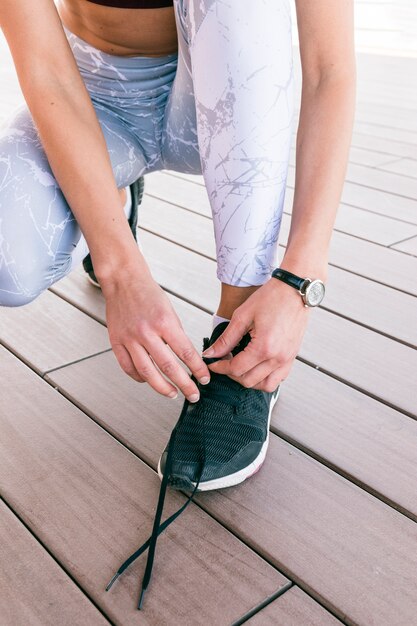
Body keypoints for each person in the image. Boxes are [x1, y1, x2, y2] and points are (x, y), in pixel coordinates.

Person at [0, 0, 355, 491]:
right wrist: (120, 268)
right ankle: (110, 201)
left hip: (223, 95)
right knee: (6, 262)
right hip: (92, 96)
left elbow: (327, 70)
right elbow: (46, 71)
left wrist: (300, 278)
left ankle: (238, 338)